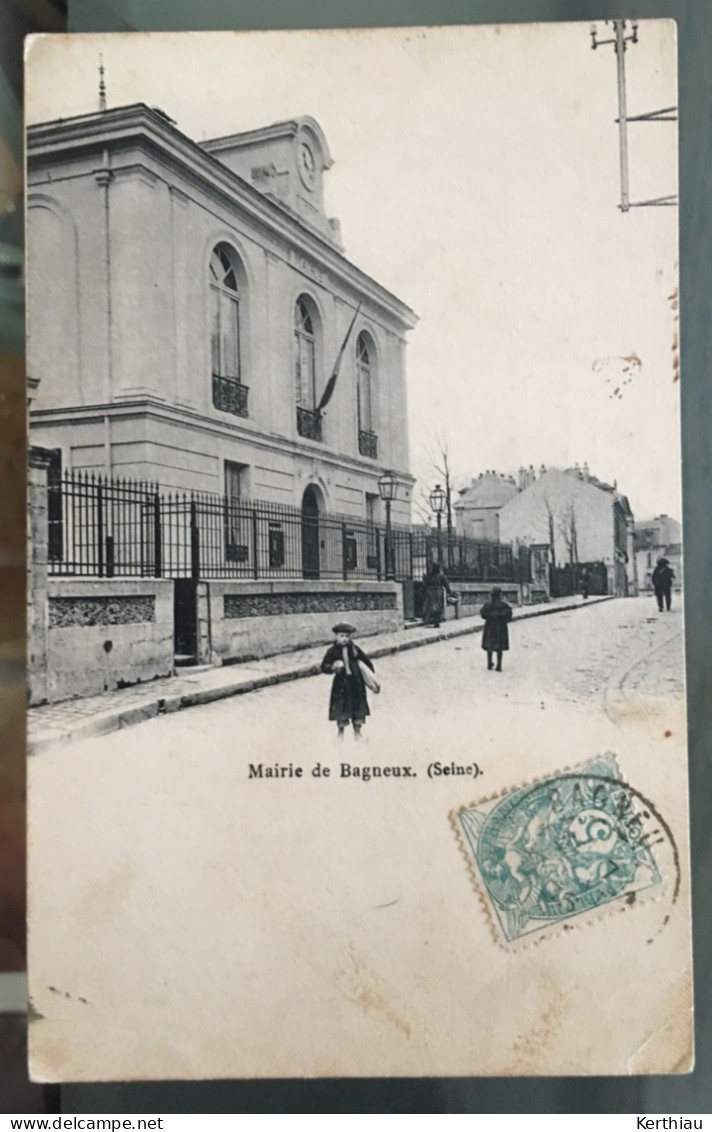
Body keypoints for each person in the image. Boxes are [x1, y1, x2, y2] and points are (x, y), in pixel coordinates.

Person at [320, 623, 378, 741]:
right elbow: (324, 666)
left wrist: (369, 675)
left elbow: (366, 662)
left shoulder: (355, 649)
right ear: (336, 636)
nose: (345, 639)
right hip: (341, 685)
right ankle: (340, 734)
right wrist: (332, 667)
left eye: (347, 636)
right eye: (342, 636)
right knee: (341, 709)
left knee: (358, 708)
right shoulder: (332, 651)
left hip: (356, 684)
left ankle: (358, 733)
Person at [480, 586, 513, 672]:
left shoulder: (487, 605)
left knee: (489, 646)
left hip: (490, 627)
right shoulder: (504, 606)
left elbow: (483, 614)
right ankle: (499, 665)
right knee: (499, 647)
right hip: (500, 627)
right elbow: (509, 617)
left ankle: (489, 663)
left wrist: (490, 617)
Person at [421, 561, 452, 628]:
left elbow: (424, 585)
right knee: (438, 607)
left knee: (429, 606)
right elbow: (446, 584)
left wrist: (423, 592)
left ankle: (427, 620)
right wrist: (449, 591)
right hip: (438, 592)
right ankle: (437, 620)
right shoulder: (441, 576)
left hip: (430, 592)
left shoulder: (429, 576)